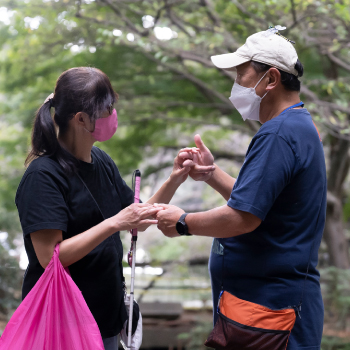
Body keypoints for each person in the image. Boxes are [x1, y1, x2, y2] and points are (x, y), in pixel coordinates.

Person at [15, 67, 216, 350]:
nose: (113, 114)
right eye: (107, 108)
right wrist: (114, 223)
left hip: (105, 319)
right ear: (82, 119)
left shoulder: (101, 160)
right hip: (63, 324)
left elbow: (137, 217)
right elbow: (50, 258)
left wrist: (175, 178)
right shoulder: (44, 175)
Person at [156, 27, 326, 349]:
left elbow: (243, 217)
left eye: (241, 75)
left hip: (271, 312)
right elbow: (260, 202)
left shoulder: (278, 134)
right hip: (266, 307)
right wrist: (212, 174)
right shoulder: (296, 125)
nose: (236, 85)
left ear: (272, 79)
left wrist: (183, 222)